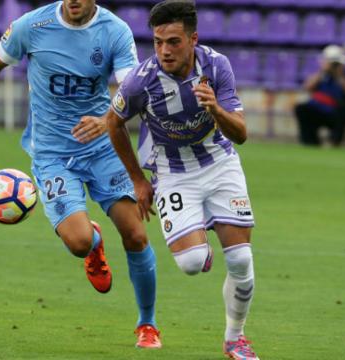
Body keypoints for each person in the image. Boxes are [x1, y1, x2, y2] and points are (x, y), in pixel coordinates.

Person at [0, 0, 161, 348]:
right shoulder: (31, 26)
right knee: (79, 242)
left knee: (135, 234)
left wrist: (107, 122)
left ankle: (147, 324)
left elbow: (131, 92)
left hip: (102, 147)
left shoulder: (115, 31)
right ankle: (94, 243)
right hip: (53, 154)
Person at [105, 1, 260, 359]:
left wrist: (216, 109)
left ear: (193, 39)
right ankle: (201, 233)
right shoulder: (140, 81)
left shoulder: (217, 65)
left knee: (240, 261)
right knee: (191, 264)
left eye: (173, 41)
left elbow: (241, 135)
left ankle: (235, 339)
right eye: (158, 42)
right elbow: (113, 124)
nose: (164, 50)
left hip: (220, 164)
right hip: (173, 173)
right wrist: (138, 180)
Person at [294, 45, 345, 146]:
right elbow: (308, 87)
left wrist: (340, 76)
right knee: (302, 108)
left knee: (343, 110)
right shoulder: (321, 74)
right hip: (320, 109)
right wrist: (323, 71)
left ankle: (335, 142)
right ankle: (310, 142)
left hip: (339, 111)